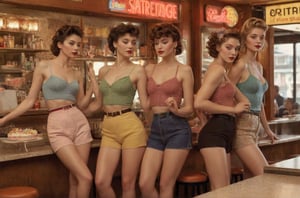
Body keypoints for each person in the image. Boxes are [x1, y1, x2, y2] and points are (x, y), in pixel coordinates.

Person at [0, 25, 100, 198]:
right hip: (58, 124)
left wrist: (92, 82)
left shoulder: (76, 73)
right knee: (86, 177)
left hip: (80, 122)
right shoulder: (44, 66)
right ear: (60, 44)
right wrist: (3, 120)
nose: (76, 48)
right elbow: (30, 101)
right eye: (72, 43)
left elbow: (82, 104)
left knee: (76, 178)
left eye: (79, 45)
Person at [139, 23, 194, 198]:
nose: (159, 47)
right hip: (155, 129)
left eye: (164, 42)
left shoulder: (184, 70)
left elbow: (190, 109)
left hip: (177, 128)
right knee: (145, 184)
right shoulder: (149, 69)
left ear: (175, 43)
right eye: (156, 43)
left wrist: (177, 110)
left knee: (165, 184)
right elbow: (146, 104)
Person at [94, 23, 149, 198]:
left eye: (133, 42)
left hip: (130, 127)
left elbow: (146, 104)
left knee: (127, 184)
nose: (130, 46)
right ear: (115, 43)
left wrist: (153, 125)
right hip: (108, 128)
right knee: (101, 182)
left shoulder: (138, 70)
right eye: (125, 41)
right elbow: (99, 104)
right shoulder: (103, 71)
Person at [194, 29, 250, 190]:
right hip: (215, 132)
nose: (233, 52)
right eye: (228, 47)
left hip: (224, 131)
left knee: (224, 189)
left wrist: (231, 87)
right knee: (220, 190)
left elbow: (244, 102)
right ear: (218, 47)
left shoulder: (222, 71)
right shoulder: (217, 70)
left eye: (237, 48)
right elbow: (199, 102)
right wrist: (232, 110)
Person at [228, 17, 278, 177]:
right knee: (266, 176)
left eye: (262, 37)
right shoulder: (239, 65)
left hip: (256, 127)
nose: (258, 41)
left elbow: (259, 102)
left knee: (253, 182)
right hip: (242, 126)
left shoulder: (258, 66)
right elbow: (226, 94)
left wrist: (268, 128)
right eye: (253, 36)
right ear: (245, 39)